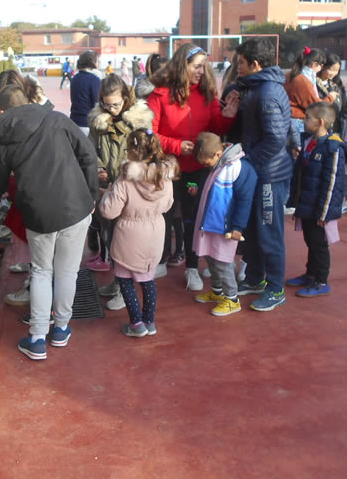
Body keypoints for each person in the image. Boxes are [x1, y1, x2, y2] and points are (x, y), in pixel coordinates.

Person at [0, 85, 98, 361]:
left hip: (38, 214)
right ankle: (60, 329)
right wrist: (91, 194)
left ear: (2, 109)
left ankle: (36, 338)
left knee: (41, 272)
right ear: (28, 101)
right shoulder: (57, 120)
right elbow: (88, 156)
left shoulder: (5, 141)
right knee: (67, 272)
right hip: (76, 206)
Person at [147, 43, 238, 291]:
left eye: (203, 66)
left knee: (192, 219)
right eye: (196, 66)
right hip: (168, 167)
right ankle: (161, 260)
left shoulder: (207, 94)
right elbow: (150, 133)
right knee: (163, 216)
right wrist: (176, 146)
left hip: (197, 169)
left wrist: (228, 115)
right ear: (182, 65)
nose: (201, 71)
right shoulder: (160, 95)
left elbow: (216, 128)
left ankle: (191, 267)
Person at [233, 37, 293, 312]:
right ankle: (256, 278)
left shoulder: (267, 92)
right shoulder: (258, 88)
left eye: (241, 63)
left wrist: (250, 164)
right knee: (255, 230)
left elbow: (276, 137)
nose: (238, 68)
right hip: (260, 172)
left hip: (268, 174)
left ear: (255, 64)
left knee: (269, 231)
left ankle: (276, 287)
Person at [98, 129, 176, 337]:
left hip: (128, 236)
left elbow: (109, 211)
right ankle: (149, 321)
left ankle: (136, 324)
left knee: (125, 279)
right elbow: (168, 205)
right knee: (147, 279)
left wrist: (108, 194)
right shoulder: (165, 177)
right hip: (155, 233)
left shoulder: (125, 179)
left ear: (132, 151)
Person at [87, 74, 156, 309]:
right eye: (107, 104)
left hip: (132, 188)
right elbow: (89, 149)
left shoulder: (140, 121)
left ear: (126, 98)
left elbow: (149, 152)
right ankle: (118, 284)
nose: (112, 108)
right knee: (110, 240)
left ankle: (127, 290)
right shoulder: (98, 121)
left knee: (128, 244)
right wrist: (98, 167)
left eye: (116, 104)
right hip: (108, 188)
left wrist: (128, 171)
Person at [0, 70, 54, 307]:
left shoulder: (38, 110)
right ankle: (33, 279)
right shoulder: (31, 109)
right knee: (28, 237)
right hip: (25, 181)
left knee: (38, 245)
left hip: (33, 183)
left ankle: (35, 294)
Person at [286, 102, 347, 297]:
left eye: (307, 118)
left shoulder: (333, 148)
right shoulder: (309, 142)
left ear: (320, 122)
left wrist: (325, 212)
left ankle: (321, 281)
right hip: (308, 203)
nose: (303, 121)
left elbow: (332, 183)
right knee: (310, 240)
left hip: (319, 208)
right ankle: (311, 273)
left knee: (319, 244)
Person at [191, 133, 256, 316]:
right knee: (210, 258)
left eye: (206, 163)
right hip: (211, 223)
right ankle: (217, 291)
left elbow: (245, 200)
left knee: (223, 261)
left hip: (225, 226)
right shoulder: (218, 165)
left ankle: (232, 299)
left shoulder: (239, 168)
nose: (205, 166)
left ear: (218, 154)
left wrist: (238, 227)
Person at [285, 47, 330, 153]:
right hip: (298, 121)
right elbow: (315, 105)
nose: (321, 68)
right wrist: (330, 97)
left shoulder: (290, 74)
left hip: (287, 119)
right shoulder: (303, 80)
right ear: (314, 64)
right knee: (300, 154)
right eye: (321, 65)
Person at [69, 50, 102, 137]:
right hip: (87, 123)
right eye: (97, 61)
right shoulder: (94, 79)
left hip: (74, 120)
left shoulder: (75, 78)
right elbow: (97, 102)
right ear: (93, 62)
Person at [316, 54, 347, 133]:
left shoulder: (337, 85)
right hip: (320, 123)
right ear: (323, 67)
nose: (333, 73)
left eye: (336, 70)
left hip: (335, 125)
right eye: (331, 69)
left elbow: (344, 104)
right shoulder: (314, 83)